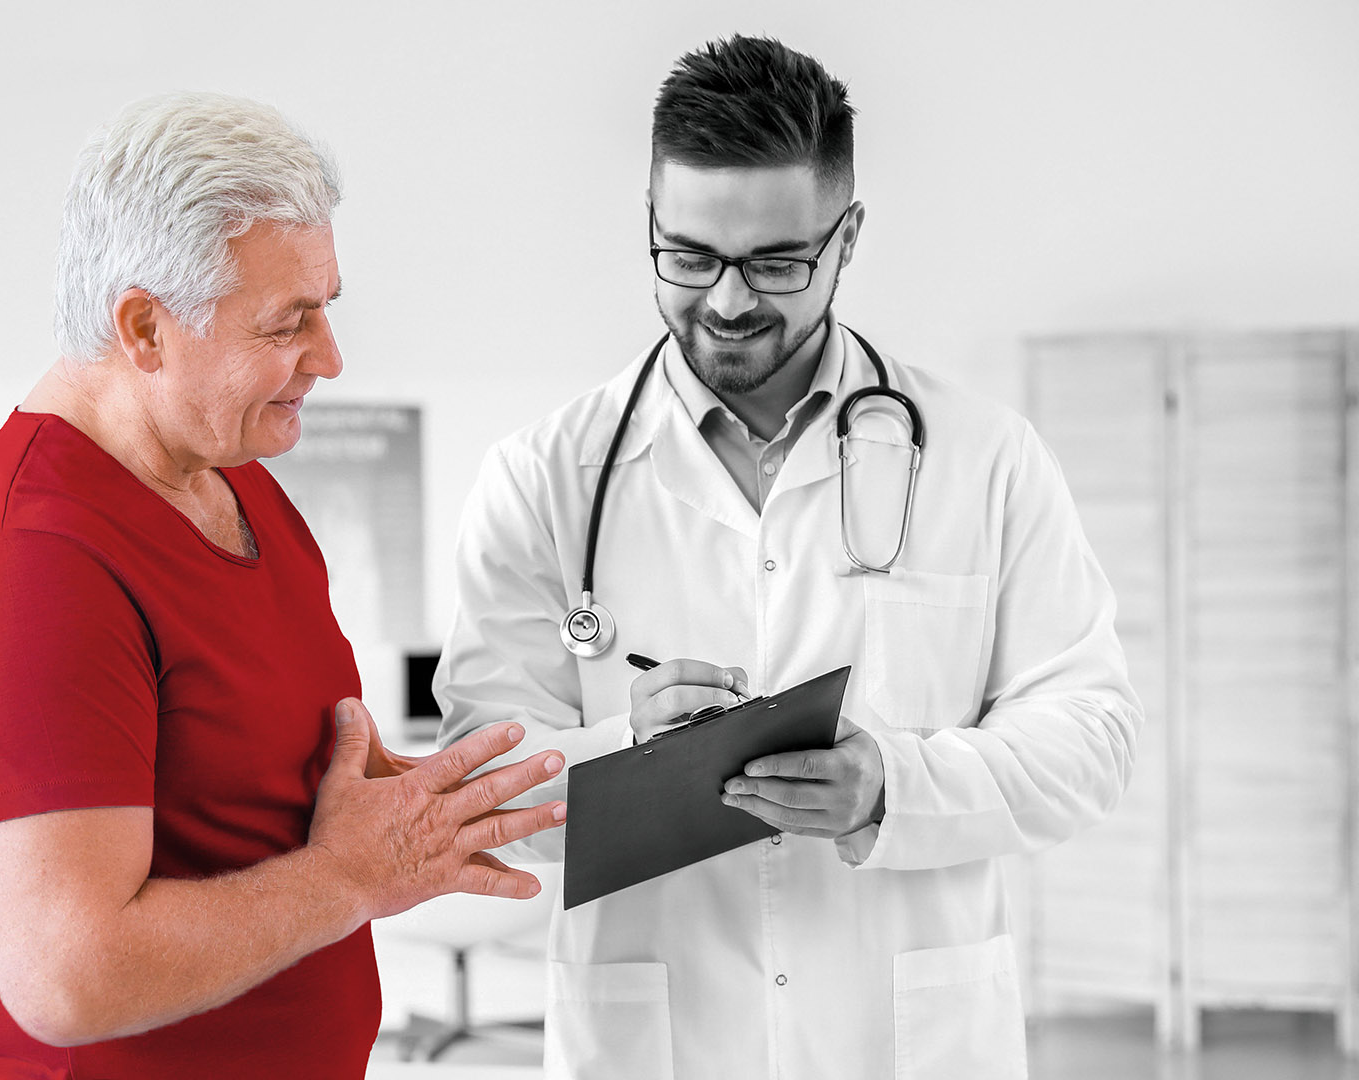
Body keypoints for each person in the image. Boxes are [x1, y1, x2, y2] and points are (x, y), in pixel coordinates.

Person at [436, 35, 1141, 1080]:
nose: (726, 303)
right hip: (655, 1039)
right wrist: (624, 748)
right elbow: (480, 787)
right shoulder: (542, 478)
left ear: (847, 238)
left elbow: (1093, 737)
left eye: (775, 263)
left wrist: (892, 784)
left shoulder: (983, 456)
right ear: (650, 226)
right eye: (688, 258)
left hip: (905, 1037)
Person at [0, 92, 567, 1079]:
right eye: (289, 323)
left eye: (327, 307)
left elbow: (282, 787)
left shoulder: (234, 481)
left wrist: (579, 771)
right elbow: (72, 977)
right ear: (145, 328)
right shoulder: (30, 569)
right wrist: (352, 878)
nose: (329, 359)